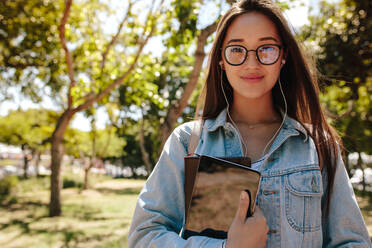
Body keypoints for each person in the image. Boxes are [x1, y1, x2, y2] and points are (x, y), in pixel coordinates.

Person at [128, 0, 371, 247]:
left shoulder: (318, 145)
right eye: (236, 49)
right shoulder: (187, 141)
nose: (252, 63)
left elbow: (352, 242)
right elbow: (145, 235)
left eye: (266, 48)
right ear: (220, 59)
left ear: (283, 56)